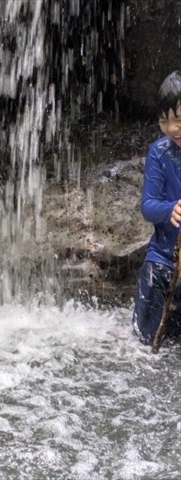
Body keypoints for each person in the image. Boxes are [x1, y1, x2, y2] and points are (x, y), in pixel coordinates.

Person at [132, 70, 181, 345]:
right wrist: (170, 208)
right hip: (162, 258)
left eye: (179, 120)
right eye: (165, 121)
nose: (173, 129)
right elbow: (148, 206)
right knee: (142, 343)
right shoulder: (159, 152)